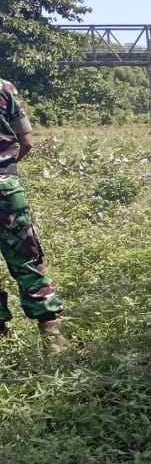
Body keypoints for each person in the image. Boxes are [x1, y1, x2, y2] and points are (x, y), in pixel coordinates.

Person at [0, 76, 67, 352]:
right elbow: (26, 141)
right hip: (5, 188)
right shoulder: (4, 88)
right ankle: (53, 342)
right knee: (27, 261)